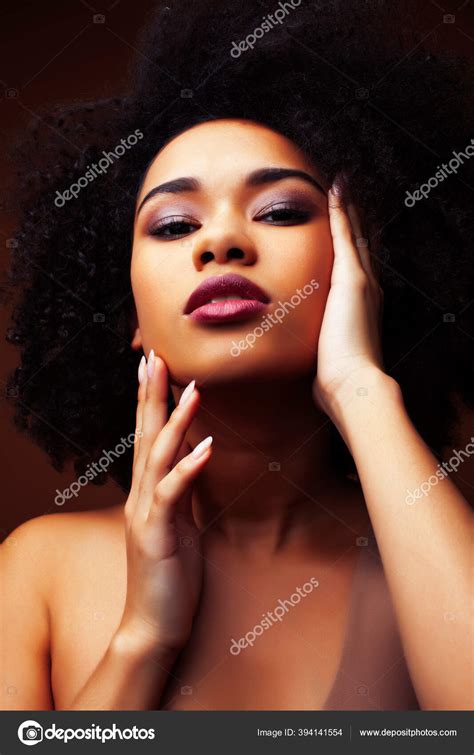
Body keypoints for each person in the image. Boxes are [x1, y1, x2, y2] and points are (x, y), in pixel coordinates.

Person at [1, 0, 473, 711]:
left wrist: (359, 385)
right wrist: (144, 636)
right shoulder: (37, 569)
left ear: (363, 273)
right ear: (130, 315)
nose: (220, 243)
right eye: (173, 224)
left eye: (280, 211)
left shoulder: (436, 553)